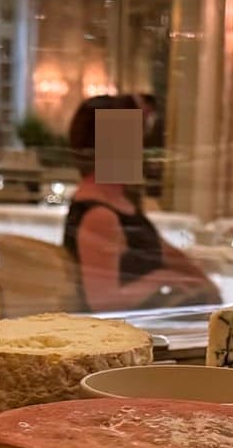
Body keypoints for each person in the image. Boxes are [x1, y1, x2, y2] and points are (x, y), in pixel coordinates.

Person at [63, 95, 218, 312]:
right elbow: (102, 301)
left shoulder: (119, 202)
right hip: (128, 331)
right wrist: (160, 279)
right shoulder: (100, 214)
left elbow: (165, 252)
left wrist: (203, 281)